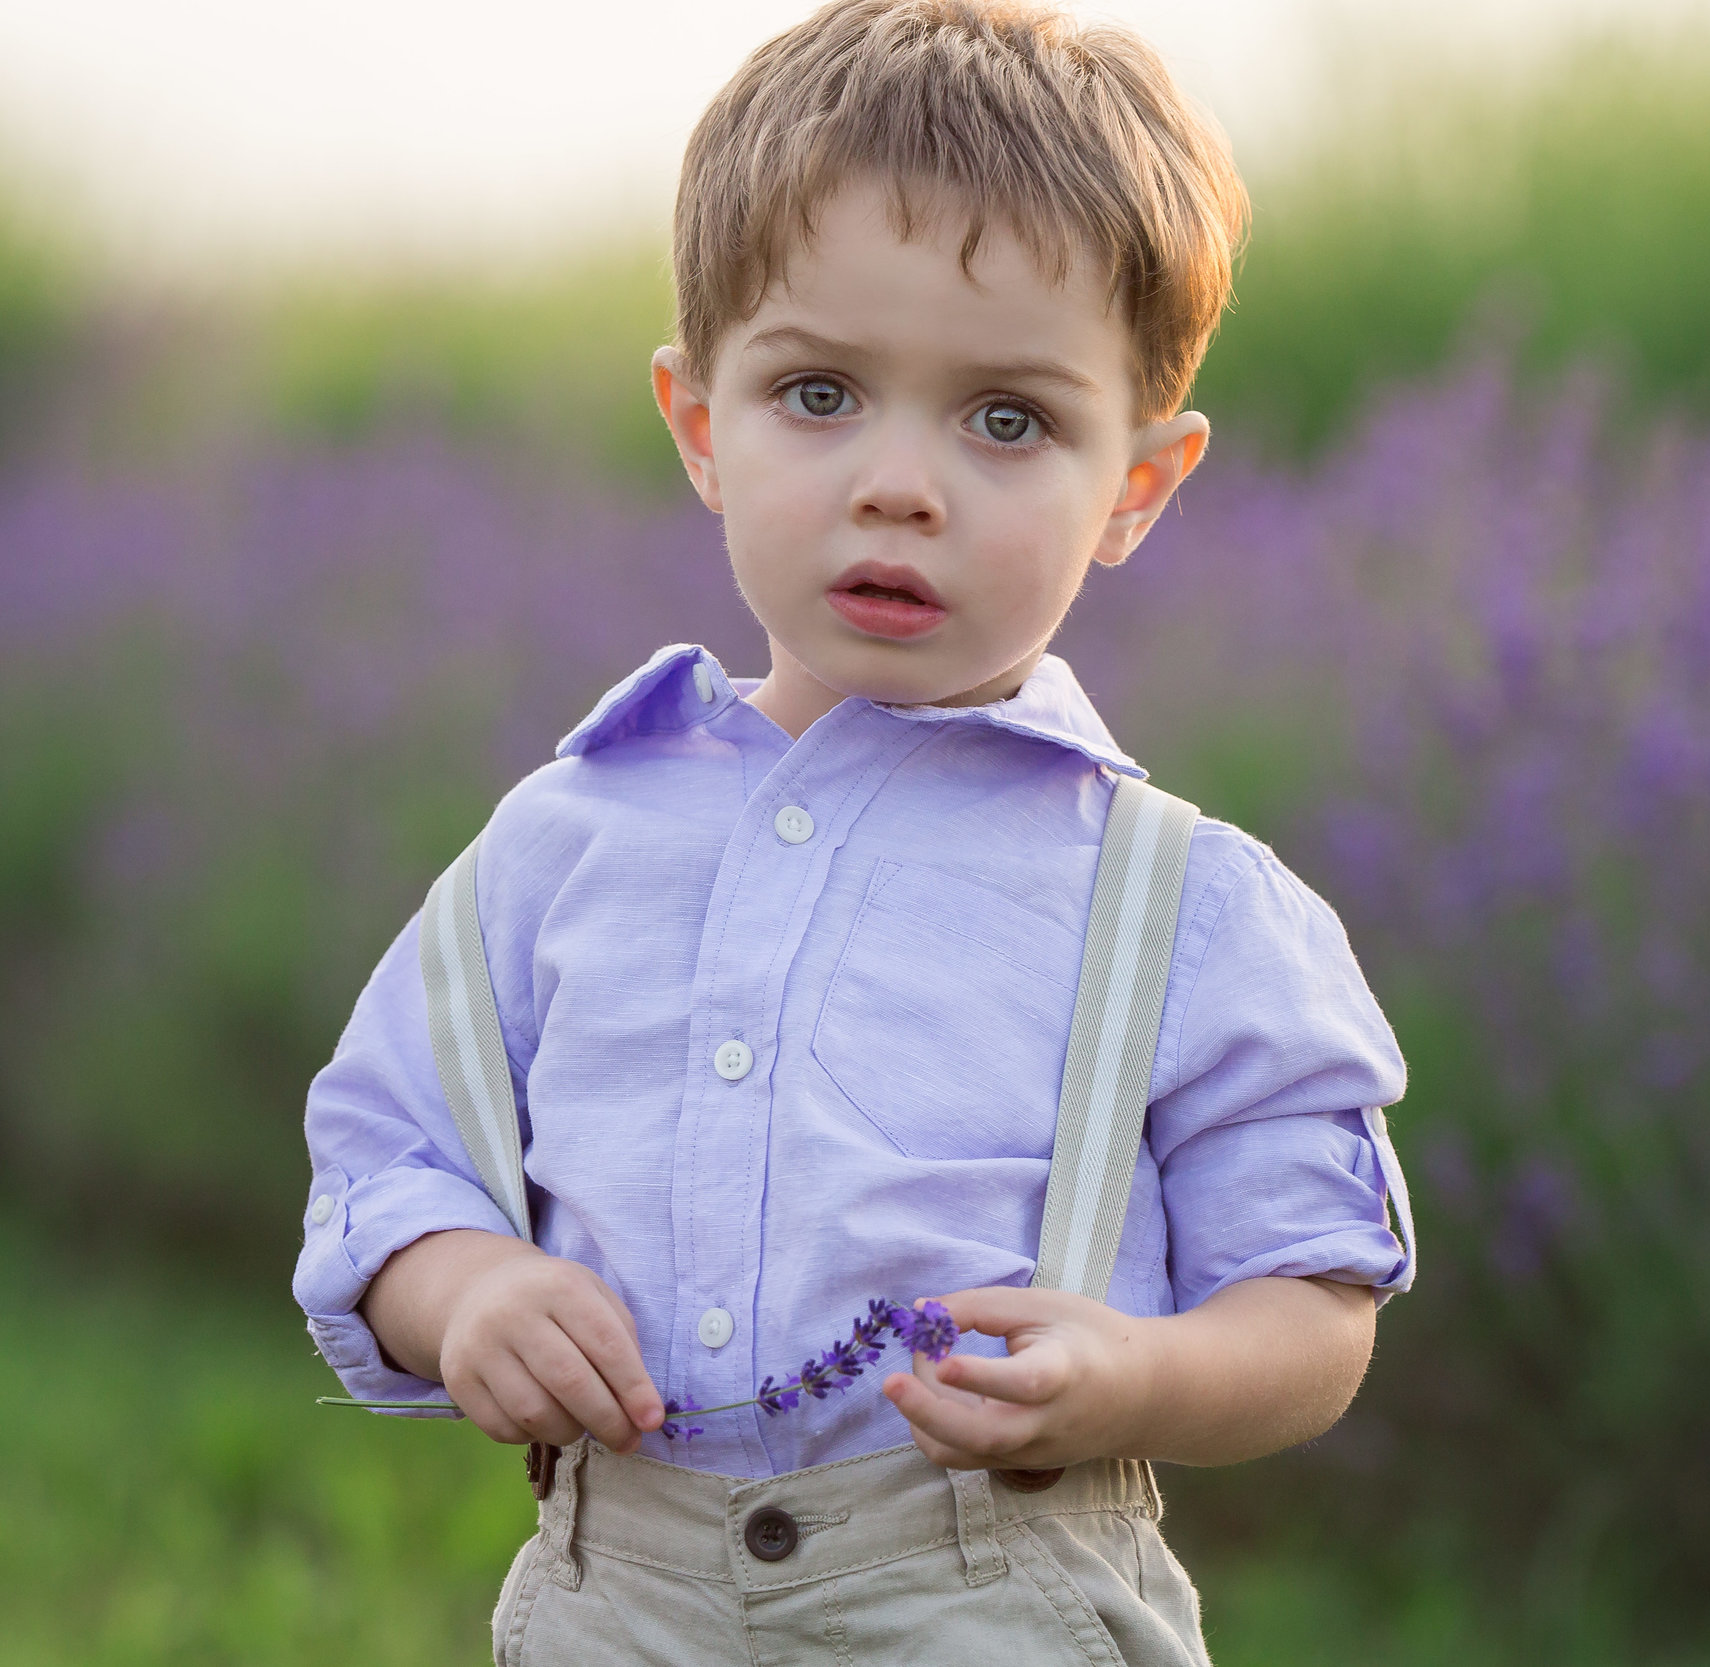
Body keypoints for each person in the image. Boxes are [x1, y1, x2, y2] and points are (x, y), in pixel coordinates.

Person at [289, 1, 1415, 1659]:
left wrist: (1141, 1375)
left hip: (989, 1592)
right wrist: (468, 1293)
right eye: (818, 393)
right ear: (698, 424)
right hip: (623, 1593)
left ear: (1138, 487)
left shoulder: (1182, 906)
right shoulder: (565, 837)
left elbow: (1314, 1312)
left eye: (1008, 420)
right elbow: (387, 1157)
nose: (901, 483)